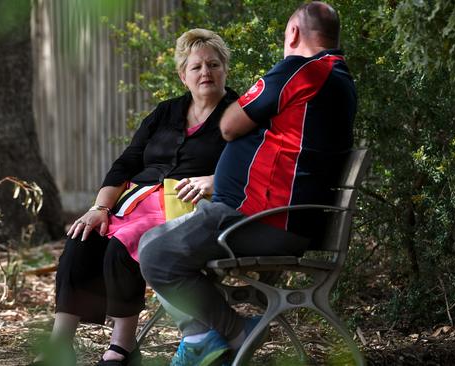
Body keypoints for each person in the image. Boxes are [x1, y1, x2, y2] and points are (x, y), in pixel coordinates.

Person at [138, 2, 357, 365]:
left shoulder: (300, 70)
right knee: (156, 241)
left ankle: (233, 333)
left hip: (264, 218)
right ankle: (207, 338)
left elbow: (229, 125)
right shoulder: (337, 77)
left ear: (293, 33)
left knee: (155, 252)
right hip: (278, 217)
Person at [31, 28, 238, 366]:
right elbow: (127, 162)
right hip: (136, 202)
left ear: (225, 69)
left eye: (213, 65)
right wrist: (100, 207)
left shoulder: (238, 114)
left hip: (187, 207)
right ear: (182, 75)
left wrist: (214, 180)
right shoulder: (165, 113)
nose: (206, 73)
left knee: (122, 243)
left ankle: (122, 347)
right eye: (196, 67)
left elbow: (250, 165)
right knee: (83, 236)